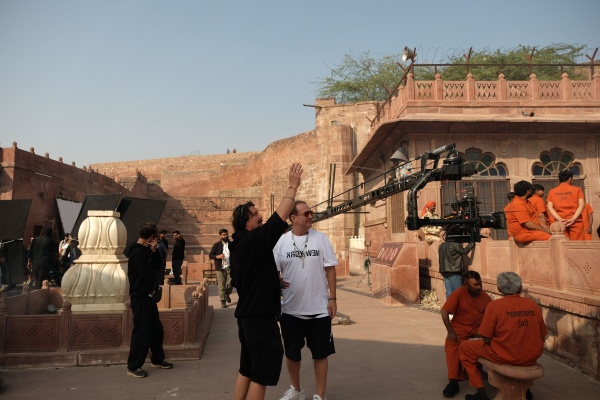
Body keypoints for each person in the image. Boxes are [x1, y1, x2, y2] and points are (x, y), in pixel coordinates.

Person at [230, 163, 303, 400]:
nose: (260, 216)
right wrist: (292, 187)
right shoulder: (252, 241)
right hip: (259, 318)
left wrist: (272, 281)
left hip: (248, 316)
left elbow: (249, 277)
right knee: (261, 373)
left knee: (248, 368)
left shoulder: (240, 244)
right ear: (246, 221)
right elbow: (278, 219)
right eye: (255, 214)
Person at [273, 200, 338, 400]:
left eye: (311, 213)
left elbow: (330, 269)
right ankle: (296, 389)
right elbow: (273, 270)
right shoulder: (282, 241)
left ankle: (320, 394)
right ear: (293, 218)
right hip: (291, 309)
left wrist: (333, 298)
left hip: (318, 309)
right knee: (292, 354)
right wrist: (277, 280)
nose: (311, 216)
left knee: (320, 354)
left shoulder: (321, 239)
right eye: (306, 213)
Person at [459, 272, 547, 400]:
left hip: (506, 355)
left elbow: (486, 339)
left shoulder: (494, 306)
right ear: (520, 287)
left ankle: (481, 392)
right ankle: (525, 390)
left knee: (465, 347)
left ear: (499, 288)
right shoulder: (533, 305)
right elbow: (542, 336)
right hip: (531, 355)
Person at [126, 222, 173, 378]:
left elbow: (158, 266)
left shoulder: (146, 250)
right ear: (152, 236)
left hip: (149, 296)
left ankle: (158, 359)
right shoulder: (137, 252)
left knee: (156, 330)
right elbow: (148, 274)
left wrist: (153, 252)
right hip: (140, 296)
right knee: (142, 331)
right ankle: (133, 366)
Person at [440, 271, 492, 398]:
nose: (479, 287)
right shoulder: (459, 293)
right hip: (460, 329)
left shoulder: (486, 298)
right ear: (465, 284)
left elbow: (490, 319)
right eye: (475, 284)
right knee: (452, 344)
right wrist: (450, 331)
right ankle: (453, 381)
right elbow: (445, 311)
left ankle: (478, 378)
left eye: (480, 283)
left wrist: (483, 331)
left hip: (478, 331)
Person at [546, 170, 585, 240]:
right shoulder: (577, 189)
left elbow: (550, 207)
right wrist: (573, 219)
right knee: (576, 243)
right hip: (575, 220)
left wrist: (559, 219)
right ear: (570, 178)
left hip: (559, 221)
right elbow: (581, 205)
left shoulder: (552, 191)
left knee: (562, 242)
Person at [209, 228, 233, 308]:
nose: (225, 236)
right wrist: (218, 256)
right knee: (221, 285)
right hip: (220, 268)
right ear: (220, 236)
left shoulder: (231, 244)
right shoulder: (216, 245)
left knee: (231, 283)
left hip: (230, 267)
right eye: (224, 235)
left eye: (226, 234)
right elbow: (211, 255)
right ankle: (223, 301)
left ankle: (226, 294)